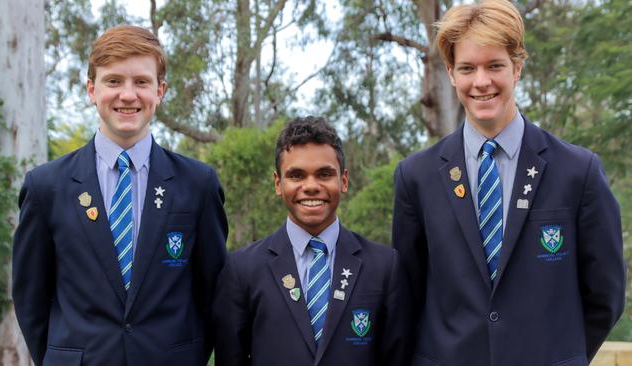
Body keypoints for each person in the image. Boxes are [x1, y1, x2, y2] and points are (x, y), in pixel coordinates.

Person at [392, 1, 625, 365]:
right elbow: (407, 296)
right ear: (451, 73)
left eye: (494, 65)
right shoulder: (416, 178)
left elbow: (606, 295)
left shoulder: (579, 172)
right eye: (467, 68)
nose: (481, 81)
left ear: (516, 67)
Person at [12, 25, 228, 366]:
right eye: (113, 81)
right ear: (91, 90)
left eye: (141, 82)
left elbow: (213, 293)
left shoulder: (198, 184)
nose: (128, 95)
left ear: (160, 91)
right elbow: (30, 297)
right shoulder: (46, 187)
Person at [213, 116, 413, 365]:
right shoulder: (242, 269)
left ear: (344, 180)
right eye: (296, 176)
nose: (311, 186)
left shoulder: (384, 267)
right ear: (278, 183)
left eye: (324, 174)